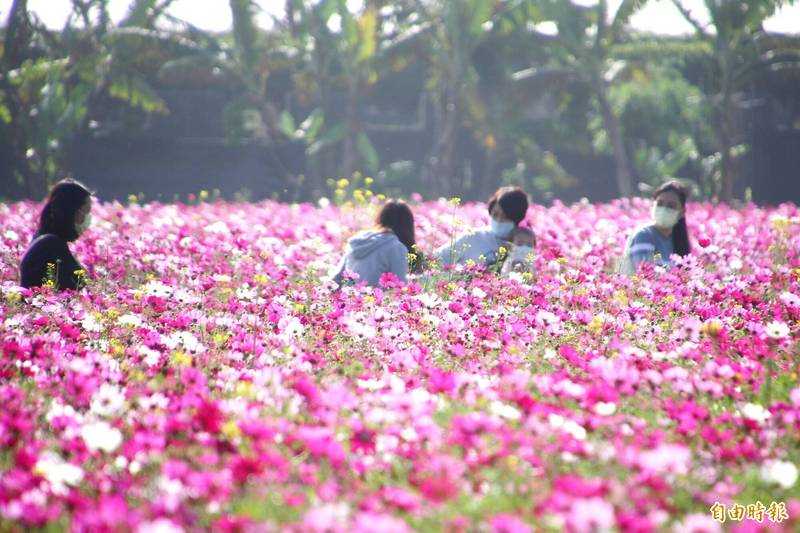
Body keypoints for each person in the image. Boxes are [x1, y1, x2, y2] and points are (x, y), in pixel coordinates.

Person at [20, 178, 93, 291]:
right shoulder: (50, 245)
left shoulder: (45, 240)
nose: (89, 218)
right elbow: (70, 288)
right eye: (87, 211)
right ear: (72, 211)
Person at [435, 186, 530, 268]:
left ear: (517, 219)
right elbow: (437, 259)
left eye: (505, 217)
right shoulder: (473, 237)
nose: (499, 220)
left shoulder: (524, 243)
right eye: (495, 214)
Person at [332, 200, 418, 288]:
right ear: (407, 225)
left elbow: (335, 280)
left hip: (350, 298)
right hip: (376, 299)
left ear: (380, 219)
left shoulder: (357, 241)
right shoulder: (397, 247)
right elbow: (400, 286)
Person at [623, 180, 691, 274]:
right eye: (660, 204)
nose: (664, 209)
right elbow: (645, 272)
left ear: (682, 212)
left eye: (671, 206)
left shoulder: (678, 241)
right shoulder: (644, 234)